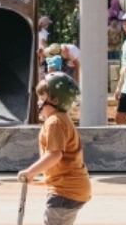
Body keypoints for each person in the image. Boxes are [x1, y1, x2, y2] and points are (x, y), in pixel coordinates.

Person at [17, 73, 91, 225]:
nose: (38, 102)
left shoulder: (54, 122)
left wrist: (30, 172)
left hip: (65, 191)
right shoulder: (62, 120)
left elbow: (55, 154)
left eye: (41, 97)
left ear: (55, 100)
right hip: (71, 188)